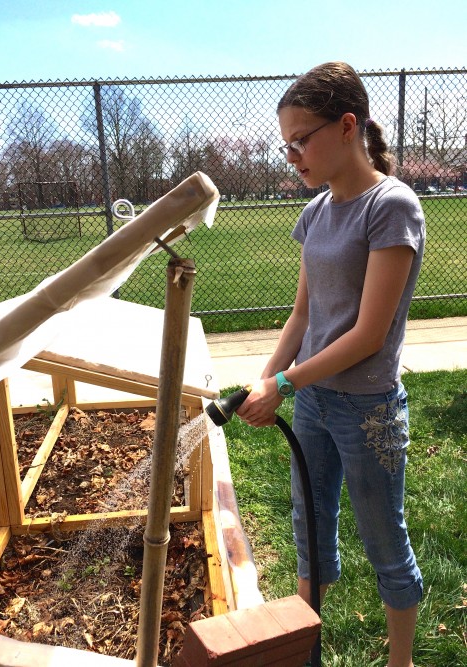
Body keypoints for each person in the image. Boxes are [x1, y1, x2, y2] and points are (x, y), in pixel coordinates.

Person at [236, 62, 425, 667]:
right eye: (285, 143)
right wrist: (269, 378)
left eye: (301, 139)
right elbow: (300, 318)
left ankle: (402, 663)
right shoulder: (316, 212)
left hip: (368, 410)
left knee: (384, 542)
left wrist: (286, 382)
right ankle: (307, 657)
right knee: (309, 535)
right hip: (314, 403)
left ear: (348, 127)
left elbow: (369, 334)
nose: (292, 154)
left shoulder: (390, 207)